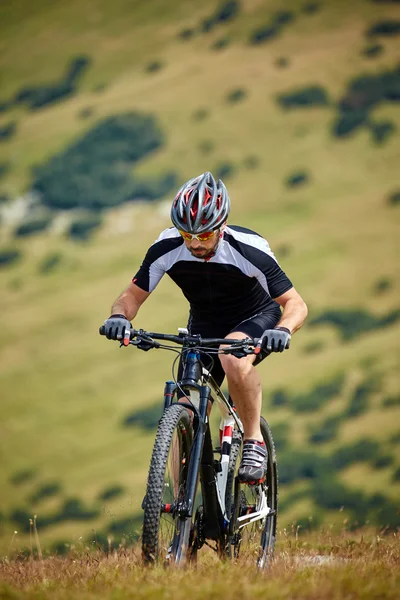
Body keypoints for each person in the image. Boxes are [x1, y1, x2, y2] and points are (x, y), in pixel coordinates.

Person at [103, 172, 308, 484]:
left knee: (230, 355)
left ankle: (253, 440)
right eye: (188, 236)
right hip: (204, 323)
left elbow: (295, 303)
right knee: (183, 402)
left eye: (204, 236)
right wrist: (120, 318)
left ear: (221, 226)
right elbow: (131, 295)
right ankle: (177, 506)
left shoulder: (248, 249)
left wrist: (284, 330)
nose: (195, 244)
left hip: (255, 317)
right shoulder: (166, 247)